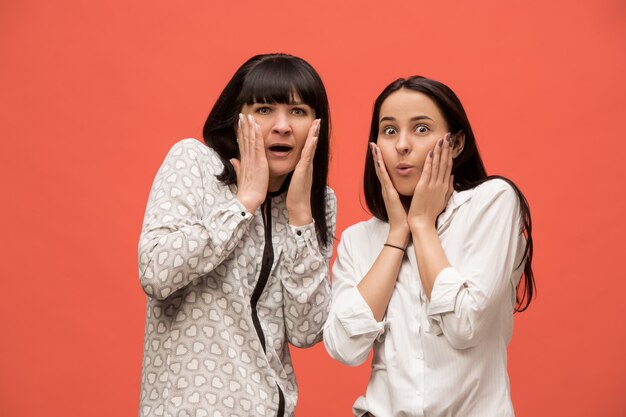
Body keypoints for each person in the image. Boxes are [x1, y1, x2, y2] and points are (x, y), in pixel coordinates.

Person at [137, 53, 336, 417]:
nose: (282, 126)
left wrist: (301, 219)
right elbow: (156, 271)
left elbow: (308, 330)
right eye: (263, 110)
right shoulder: (196, 163)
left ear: (316, 125)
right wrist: (244, 203)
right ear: (236, 118)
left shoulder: (316, 201)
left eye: (297, 111)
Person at [323, 76, 535, 417]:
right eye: (389, 131)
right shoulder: (359, 239)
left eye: (421, 129)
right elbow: (345, 349)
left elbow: (464, 326)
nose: (402, 145)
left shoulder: (492, 203)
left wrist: (421, 225)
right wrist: (397, 236)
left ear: (456, 142)